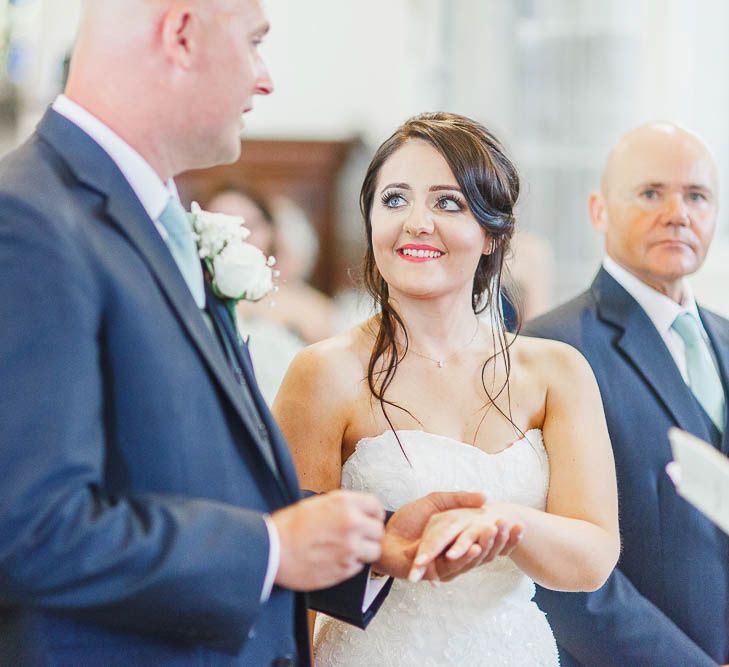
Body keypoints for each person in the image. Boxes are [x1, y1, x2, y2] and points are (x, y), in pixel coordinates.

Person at [0, 3, 502, 665]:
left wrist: (365, 541)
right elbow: (31, 528)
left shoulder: (147, 216)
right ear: (181, 35)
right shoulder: (29, 222)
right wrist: (271, 549)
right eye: (255, 44)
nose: (265, 80)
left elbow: (181, 472)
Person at [273, 112, 620, 666]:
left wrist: (505, 523)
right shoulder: (323, 374)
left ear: (491, 234)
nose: (415, 222)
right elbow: (296, 580)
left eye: (447, 202)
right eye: (394, 200)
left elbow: (592, 558)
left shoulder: (557, 372)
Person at [525, 122, 729, 665]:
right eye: (650, 193)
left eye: (697, 196)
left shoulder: (728, 340)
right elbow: (562, 574)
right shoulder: (552, 350)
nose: (678, 213)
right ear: (599, 210)